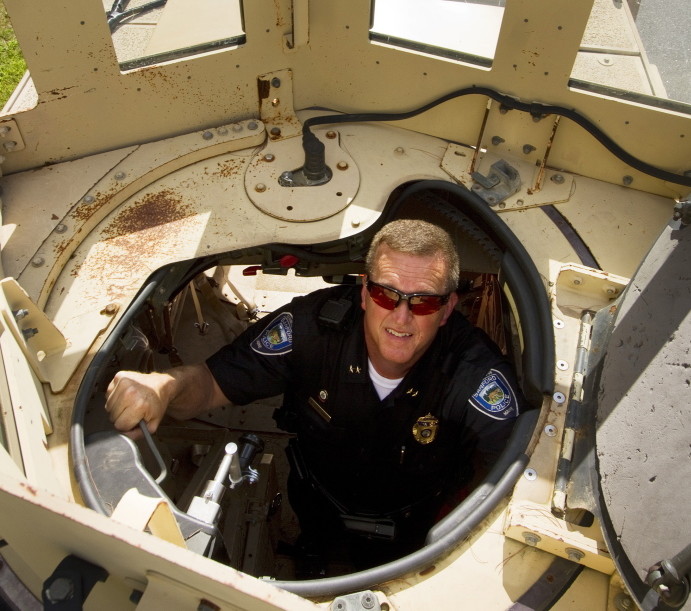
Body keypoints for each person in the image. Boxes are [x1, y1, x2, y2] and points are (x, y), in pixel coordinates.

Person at [105, 219, 525, 574]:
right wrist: (165, 386)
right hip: (316, 506)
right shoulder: (311, 328)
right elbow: (212, 383)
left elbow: (506, 482)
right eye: (385, 294)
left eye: (423, 302)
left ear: (448, 309)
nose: (401, 317)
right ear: (363, 292)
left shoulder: (476, 376)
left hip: (418, 531)